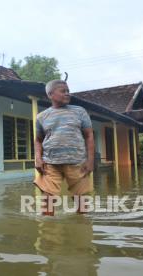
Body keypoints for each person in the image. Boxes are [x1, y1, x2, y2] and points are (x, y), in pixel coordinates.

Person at [34, 79, 94, 215]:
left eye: (68, 91)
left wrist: (90, 161)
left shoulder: (80, 112)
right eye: (63, 91)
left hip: (77, 162)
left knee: (82, 204)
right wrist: (38, 158)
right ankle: (49, 233)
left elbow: (89, 136)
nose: (67, 94)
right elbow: (38, 140)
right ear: (50, 94)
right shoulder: (41, 116)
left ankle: (81, 231)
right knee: (47, 202)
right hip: (50, 163)